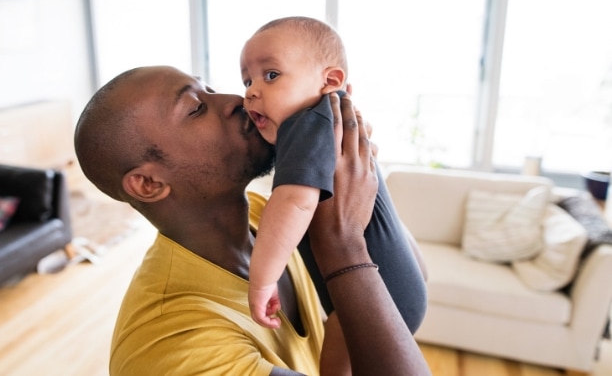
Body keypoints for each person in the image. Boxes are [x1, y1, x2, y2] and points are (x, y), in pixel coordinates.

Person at [73, 66, 431, 375]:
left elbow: (410, 285)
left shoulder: (269, 215)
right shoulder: (173, 345)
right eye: (197, 108)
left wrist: (357, 165)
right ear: (149, 184)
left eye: (210, 89)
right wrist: (343, 243)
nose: (236, 99)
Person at [240, 17, 427, 340]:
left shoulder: (306, 123)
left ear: (330, 80)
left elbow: (294, 201)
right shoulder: (333, 116)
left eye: (271, 75)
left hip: (370, 299)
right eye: (246, 81)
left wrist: (262, 280)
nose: (253, 91)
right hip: (399, 279)